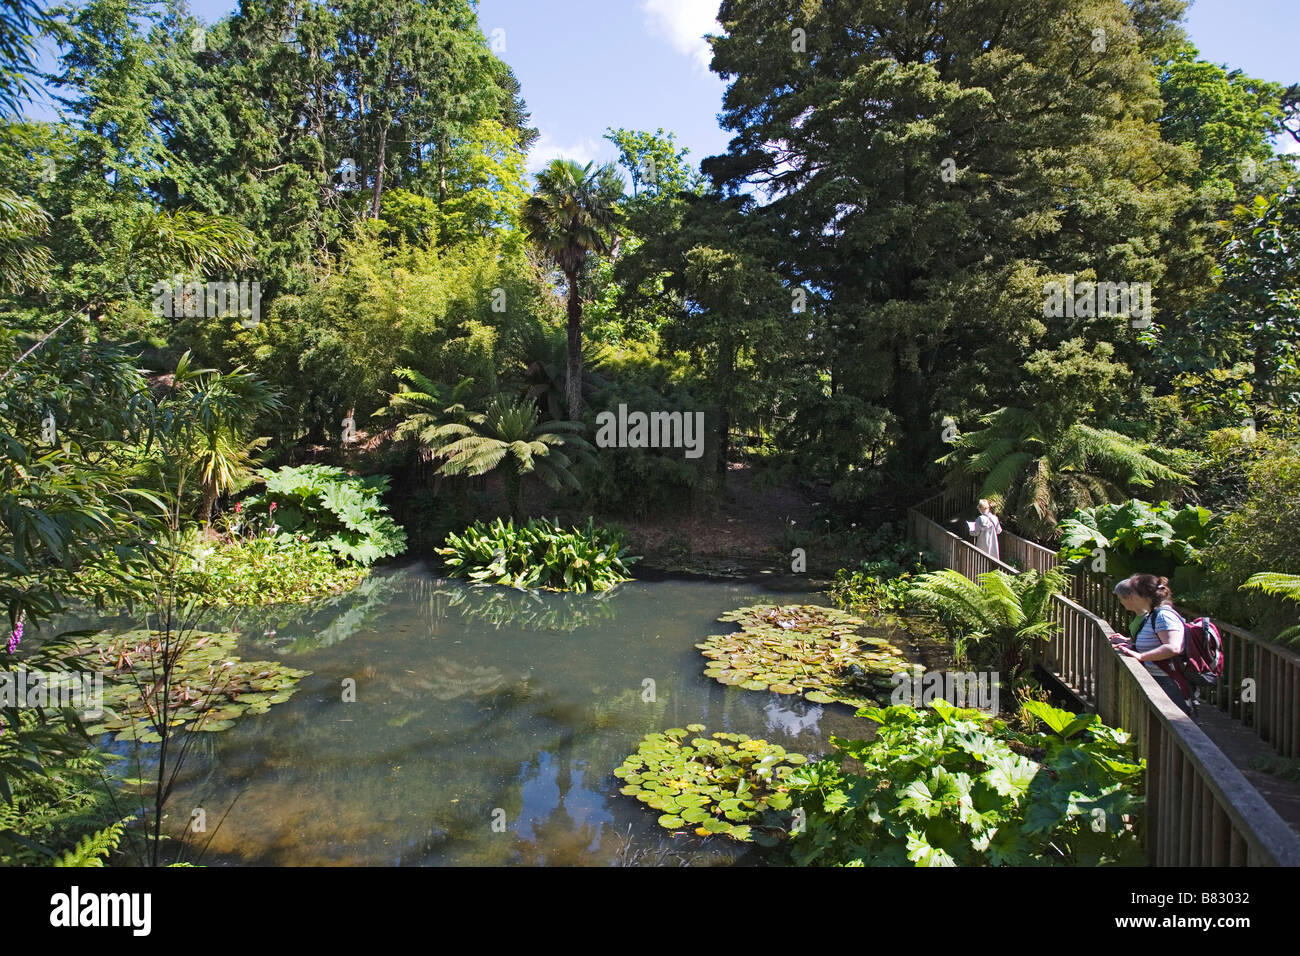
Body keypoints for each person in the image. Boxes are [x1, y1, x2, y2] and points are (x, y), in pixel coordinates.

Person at [1109, 574, 1192, 715]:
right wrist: (1130, 643)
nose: (1131, 596)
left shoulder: (1163, 616)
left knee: (1177, 728)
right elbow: (1153, 639)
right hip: (1157, 679)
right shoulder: (1152, 614)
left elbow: (1173, 647)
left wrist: (1141, 656)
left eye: (1133, 592)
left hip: (1169, 681)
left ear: (1144, 596)